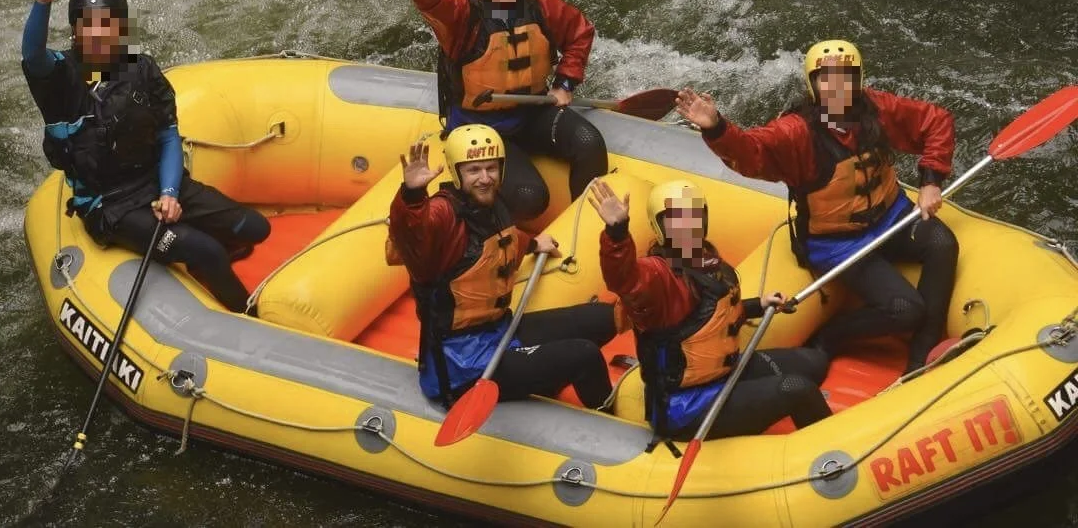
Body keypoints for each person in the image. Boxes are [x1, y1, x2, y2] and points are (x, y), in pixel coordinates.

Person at [677, 39, 958, 372]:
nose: (837, 85)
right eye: (826, 78)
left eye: (846, 76)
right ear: (813, 85)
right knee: (904, 308)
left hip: (892, 217)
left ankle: (920, 356)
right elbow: (752, 151)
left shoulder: (875, 109)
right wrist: (717, 127)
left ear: (859, 79)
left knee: (942, 242)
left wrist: (930, 182)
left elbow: (936, 121)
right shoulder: (796, 133)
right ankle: (830, 337)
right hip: (838, 242)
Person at [21, 0, 270, 313]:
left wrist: (170, 193)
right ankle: (249, 317)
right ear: (76, 31)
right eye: (88, 25)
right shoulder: (59, 76)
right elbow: (32, 55)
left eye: (107, 24)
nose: (98, 32)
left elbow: (168, 133)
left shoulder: (139, 64)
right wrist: (43, 1)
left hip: (155, 182)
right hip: (109, 205)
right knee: (209, 251)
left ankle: (189, 252)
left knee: (254, 229)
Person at [384, 0, 609, 222]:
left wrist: (565, 83)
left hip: (533, 112)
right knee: (530, 198)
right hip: (479, 126)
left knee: (588, 141)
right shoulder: (462, 12)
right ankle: (467, 214)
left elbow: (580, 32)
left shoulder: (540, 4)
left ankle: (587, 226)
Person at [388, 123, 616, 409]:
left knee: (604, 318)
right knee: (585, 354)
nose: (485, 178)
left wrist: (534, 245)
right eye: (473, 170)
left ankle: (541, 380)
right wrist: (412, 196)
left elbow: (500, 243)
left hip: (499, 329)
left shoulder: (492, 203)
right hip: (461, 363)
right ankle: (608, 421)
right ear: (457, 173)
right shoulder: (441, 215)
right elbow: (411, 234)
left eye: (491, 168)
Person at [589, 178, 832, 441]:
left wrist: (757, 305)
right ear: (660, 227)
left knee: (814, 363)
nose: (688, 224)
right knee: (798, 388)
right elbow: (625, 279)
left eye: (693, 215)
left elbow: (709, 316)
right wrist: (617, 234)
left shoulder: (704, 259)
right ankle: (835, 461)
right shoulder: (658, 275)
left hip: (725, 373)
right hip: (686, 408)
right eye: (676, 218)